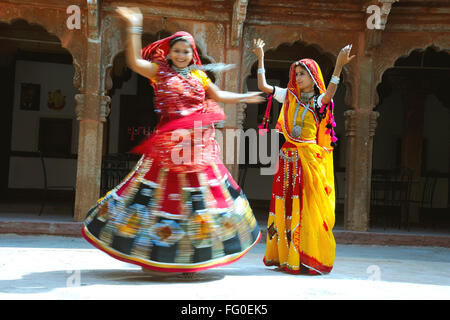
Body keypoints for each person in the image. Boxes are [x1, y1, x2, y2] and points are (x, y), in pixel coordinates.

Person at [81, 7, 264, 276]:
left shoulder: (200, 77)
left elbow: (219, 95)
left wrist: (244, 97)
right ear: (169, 53)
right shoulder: (159, 73)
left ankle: (192, 257)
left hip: (198, 149)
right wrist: (135, 25)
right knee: (158, 201)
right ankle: (155, 255)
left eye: (186, 51)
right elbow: (133, 61)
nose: (181, 55)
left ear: (193, 55)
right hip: (167, 148)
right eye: (177, 50)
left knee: (199, 203)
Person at [252, 38, 355, 275]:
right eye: (296, 73)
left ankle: (303, 257)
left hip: (307, 162)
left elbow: (331, 92)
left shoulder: (319, 101)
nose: (298, 77)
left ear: (313, 76)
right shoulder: (289, 96)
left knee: (305, 208)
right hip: (287, 159)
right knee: (285, 206)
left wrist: (338, 66)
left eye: (303, 73)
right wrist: (260, 57)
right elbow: (264, 85)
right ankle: (284, 257)